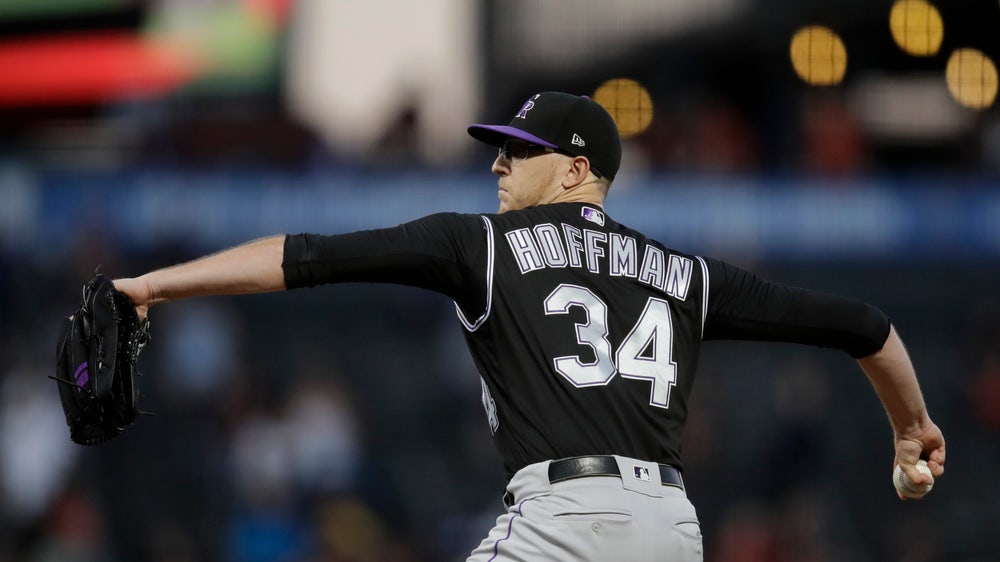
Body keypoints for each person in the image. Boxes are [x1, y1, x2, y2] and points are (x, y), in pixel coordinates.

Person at [111, 92, 946, 561]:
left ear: (577, 169)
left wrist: (150, 285)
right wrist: (912, 428)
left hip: (562, 524)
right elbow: (864, 325)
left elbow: (306, 256)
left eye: (520, 150)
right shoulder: (688, 275)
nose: (498, 163)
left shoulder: (479, 243)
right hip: (670, 532)